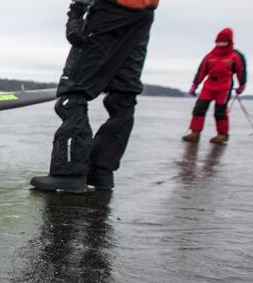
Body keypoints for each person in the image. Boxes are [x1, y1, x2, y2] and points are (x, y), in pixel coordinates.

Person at [30, 0, 158, 193]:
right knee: (123, 96)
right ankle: (101, 172)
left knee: (72, 94)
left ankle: (69, 174)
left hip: (110, 13)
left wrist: (76, 13)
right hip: (143, 15)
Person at [182, 28, 247, 145]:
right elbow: (202, 70)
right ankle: (195, 133)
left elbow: (241, 71)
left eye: (223, 41)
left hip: (224, 86)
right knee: (199, 108)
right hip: (209, 85)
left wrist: (241, 85)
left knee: (220, 111)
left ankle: (222, 134)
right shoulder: (210, 55)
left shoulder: (235, 56)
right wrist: (195, 84)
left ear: (229, 41)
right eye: (219, 41)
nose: (220, 43)